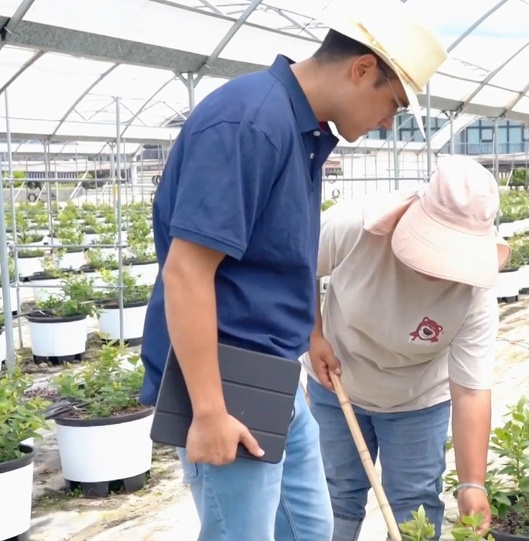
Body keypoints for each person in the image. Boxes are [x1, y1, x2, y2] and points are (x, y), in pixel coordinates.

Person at [137, 1, 447, 539]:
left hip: (271, 375)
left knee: (309, 527)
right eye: (392, 105)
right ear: (362, 69)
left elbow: (275, 254)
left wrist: (307, 336)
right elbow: (186, 271)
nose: (386, 123)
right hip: (229, 377)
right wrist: (209, 411)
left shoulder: (300, 131)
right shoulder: (252, 122)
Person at [303, 155, 505, 541]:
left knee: (414, 504)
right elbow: (300, 266)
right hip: (337, 381)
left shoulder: (476, 294)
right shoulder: (353, 226)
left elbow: (470, 391)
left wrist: (472, 485)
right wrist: (312, 335)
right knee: (336, 495)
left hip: (418, 400)